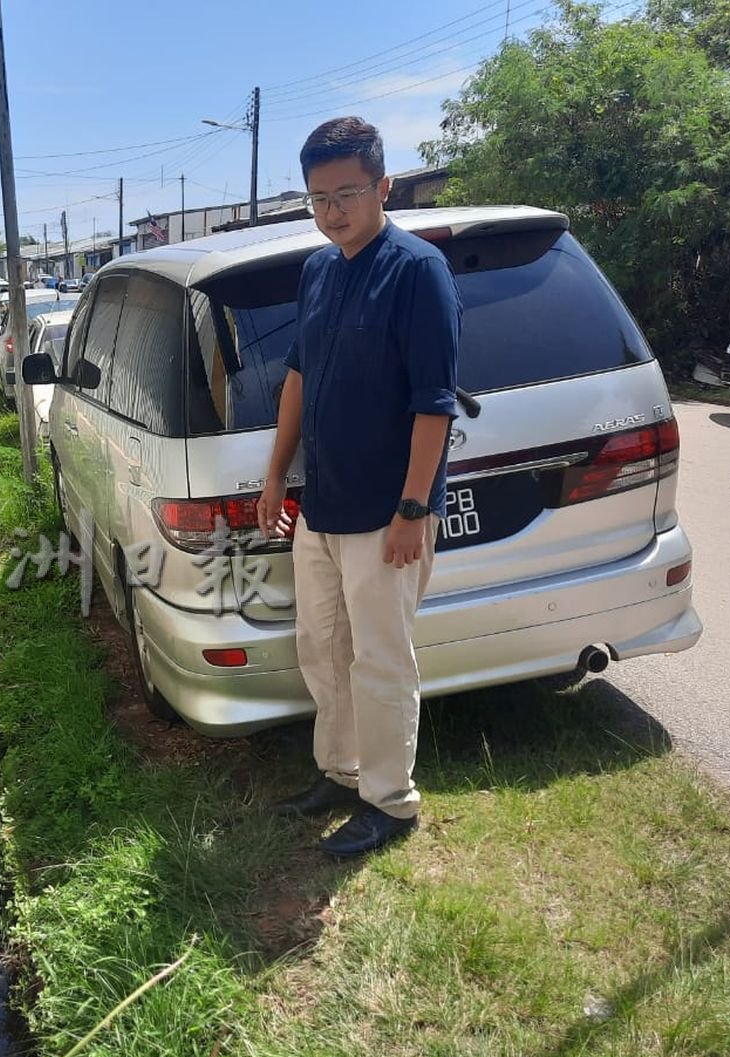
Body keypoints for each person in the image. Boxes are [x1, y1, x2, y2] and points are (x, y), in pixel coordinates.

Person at [255, 116, 462, 859]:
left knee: (381, 658)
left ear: (383, 186)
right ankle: (339, 772)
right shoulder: (319, 270)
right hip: (323, 504)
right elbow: (299, 380)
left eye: (345, 192)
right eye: (317, 197)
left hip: (386, 514)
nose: (331, 210)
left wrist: (413, 508)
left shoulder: (415, 271)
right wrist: (278, 474)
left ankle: (389, 800)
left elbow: (433, 402)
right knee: (321, 647)